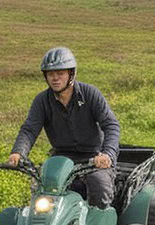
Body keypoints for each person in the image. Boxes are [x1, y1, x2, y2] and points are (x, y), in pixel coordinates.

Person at [8, 47, 120, 209]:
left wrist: (107, 154)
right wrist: (18, 152)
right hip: (61, 158)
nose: (55, 78)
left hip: (94, 158)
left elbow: (111, 125)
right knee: (43, 190)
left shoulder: (90, 94)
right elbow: (29, 130)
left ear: (71, 74)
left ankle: (97, 223)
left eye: (60, 73)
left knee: (99, 185)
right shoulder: (42, 101)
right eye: (50, 74)